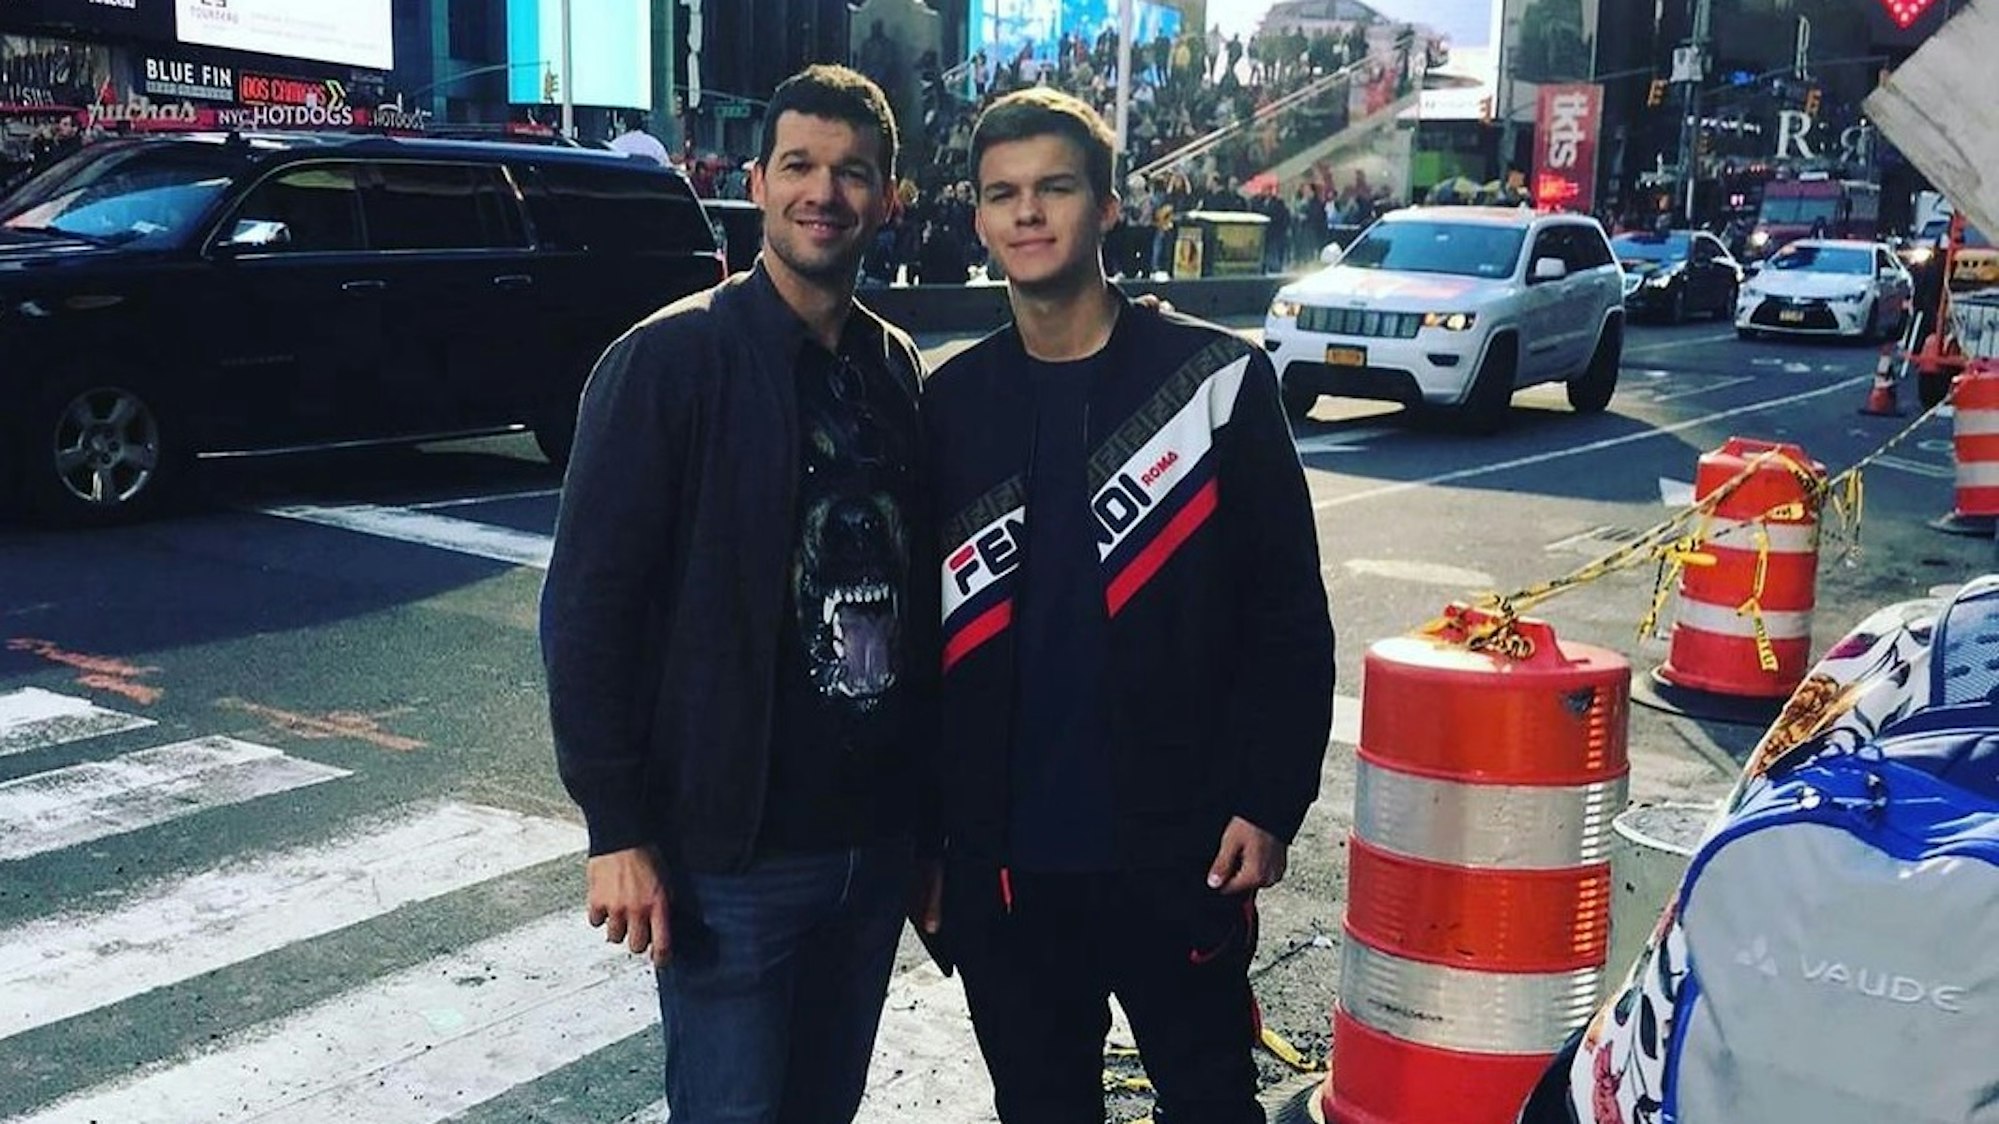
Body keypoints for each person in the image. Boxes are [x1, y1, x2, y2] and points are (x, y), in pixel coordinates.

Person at [922, 87, 1335, 1123]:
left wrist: (1268, 801)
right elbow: (918, 654)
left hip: (1178, 853)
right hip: (1007, 871)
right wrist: (925, 847)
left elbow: (1287, 615)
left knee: (1210, 1103)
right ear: (977, 219)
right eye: (1002, 194)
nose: (1027, 212)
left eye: (1054, 188)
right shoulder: (949, 404)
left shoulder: (1216, 381)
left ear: (1107, 207)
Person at [540, 64, 934, 1124]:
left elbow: (922, 608)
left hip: (871, 844)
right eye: (798, 166)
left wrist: (926, 831)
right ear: (754, 184)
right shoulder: (668, 362)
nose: (823, 193)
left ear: (888, 198)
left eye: (852, 172)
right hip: (735, 856)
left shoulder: (893, 368)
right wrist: (615, 826)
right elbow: (588, 612)